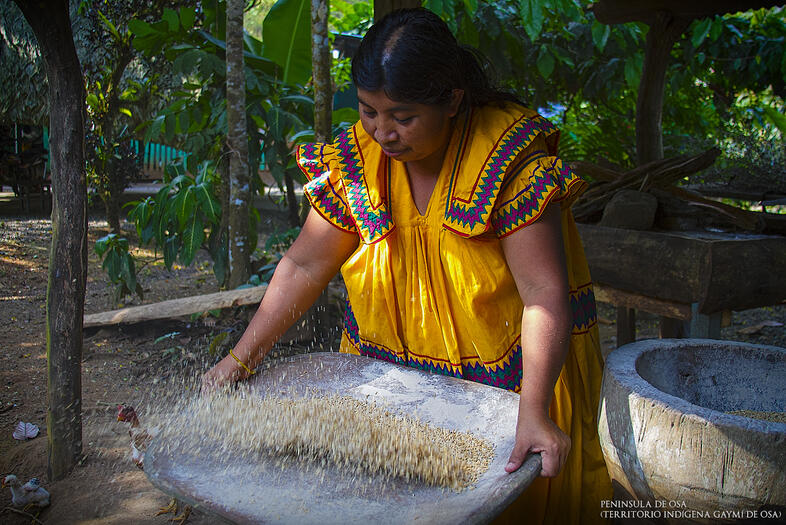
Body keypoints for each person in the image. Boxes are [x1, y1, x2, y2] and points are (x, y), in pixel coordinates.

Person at [203, 7, 611, 523]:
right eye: (370, 111)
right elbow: (305, 266)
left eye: (402, 116)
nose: (382, 132)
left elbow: (541, 295)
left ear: (453, 100)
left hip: (509, 391)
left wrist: (532, 414)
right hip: (388, 388)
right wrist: (239, 360)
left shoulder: (508, 162)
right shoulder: (356, 162)